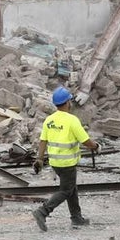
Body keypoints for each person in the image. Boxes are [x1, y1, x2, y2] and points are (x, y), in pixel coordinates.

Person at [32, 86, 100, 231]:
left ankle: (76, 218)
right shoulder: (72, 120)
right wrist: (96, 146)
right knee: (66, 190)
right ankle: (42, 212)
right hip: (67, 163)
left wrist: (39, 159)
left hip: (55, 163)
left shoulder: (49, 120)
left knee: (71, 188)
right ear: (68, 102)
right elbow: (85, 141)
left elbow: (43, 141)